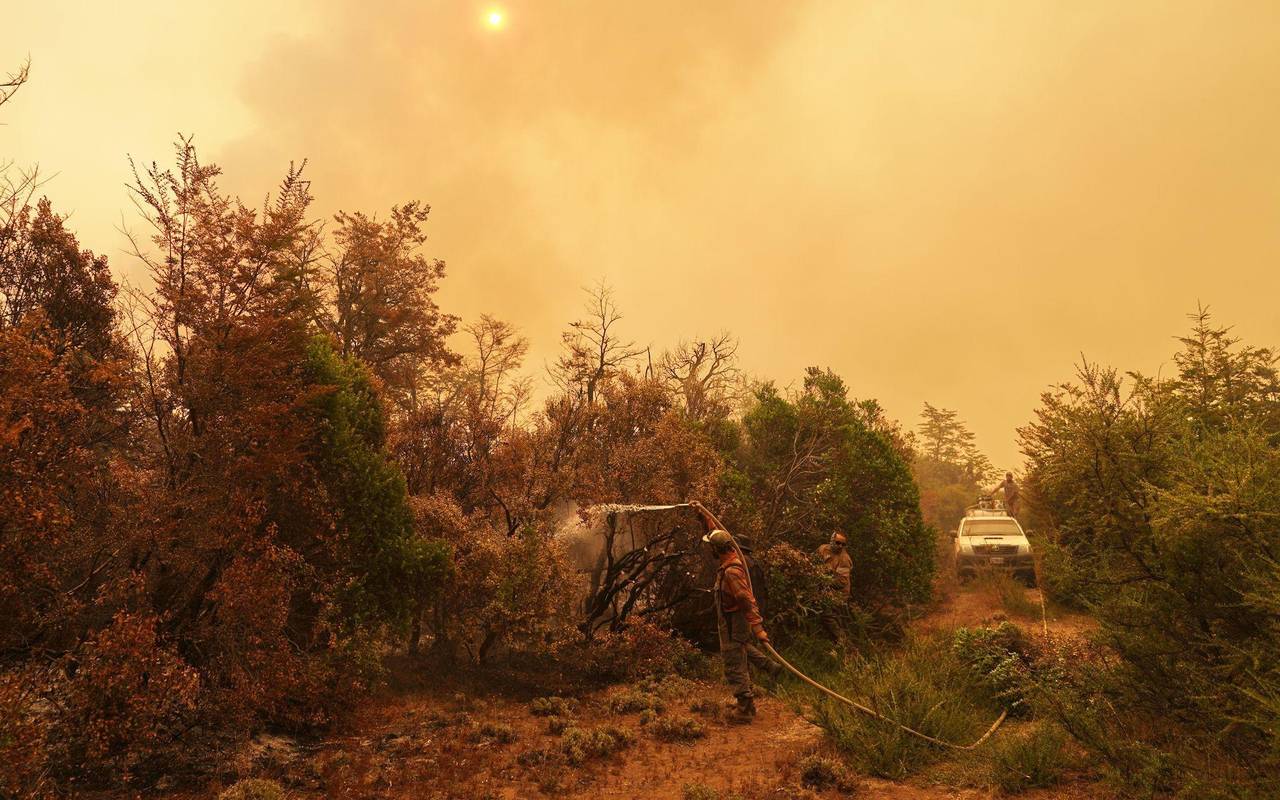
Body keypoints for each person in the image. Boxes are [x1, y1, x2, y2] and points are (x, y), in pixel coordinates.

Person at [690, 501, 770, 722]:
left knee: (734, 661)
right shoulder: (730, 552)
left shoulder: (733, 571)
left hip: (735, 622)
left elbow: (746, 599)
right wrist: (702, 515)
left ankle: (744, 709)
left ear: (717, 550)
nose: (709, 548)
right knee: (740, 653)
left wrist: (758, 628)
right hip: (731, 621)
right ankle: (762, 676)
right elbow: (717, 533)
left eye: (711, 547)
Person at [816, 531, 853, 597]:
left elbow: (842, 582)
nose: (840, 546)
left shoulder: (844, 559)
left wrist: (823, 581)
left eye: (843, 544)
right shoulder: (823, 548)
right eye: (838, 543)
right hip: (823, 586)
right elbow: (813, 561)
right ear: (832, 541)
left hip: (838, 594)